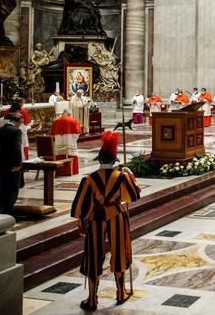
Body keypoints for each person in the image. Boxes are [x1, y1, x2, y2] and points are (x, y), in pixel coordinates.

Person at [71, 132, 141, 310]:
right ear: (114, 160)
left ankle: (92, 298)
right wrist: (130, 175)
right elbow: (133, 195)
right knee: (119, 252)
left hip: (95, 218)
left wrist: (81, 223)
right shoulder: (121, 176)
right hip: (116, 215)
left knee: (93, 255)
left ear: (99, 159)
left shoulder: (88, 179)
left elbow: (80, 206)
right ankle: (121, 292)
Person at [0, 113, 23, 217]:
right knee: (12, 188)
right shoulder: (16, 131)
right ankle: (8, 211)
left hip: (0, 163)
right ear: (18, 122)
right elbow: (16, 148)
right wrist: (18, 164)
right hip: (12, 165)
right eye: (21, 123)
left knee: (0, 186)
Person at [51, 109, 82, 176]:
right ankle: (69, 171)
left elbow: (53, 135)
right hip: (69, 144)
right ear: (69, 114)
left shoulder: (55, 121)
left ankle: (59, 171)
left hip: (58, 148)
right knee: (71, 150)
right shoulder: (73, 120)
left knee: (59, 150)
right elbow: (77, 134)